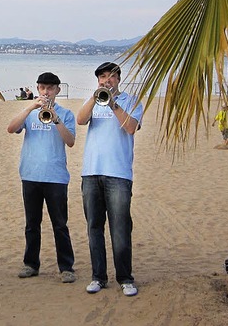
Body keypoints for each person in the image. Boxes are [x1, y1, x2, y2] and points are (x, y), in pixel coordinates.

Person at [76, 62, 143, 297]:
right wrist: (96, 98)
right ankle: (98, 277)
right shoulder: (93, 100)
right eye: (102, 77)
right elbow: (80, 120)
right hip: (91, 173)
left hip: (119, 174)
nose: (107, 80)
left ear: (119, 79)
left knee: (120, 228)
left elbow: (131, 128)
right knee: (94, 227)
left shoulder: (132, 101)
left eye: (111, 77)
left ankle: (125, 278)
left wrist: (113, 103)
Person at [6, 72, 78, 284]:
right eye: (42, 88)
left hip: (56, 176)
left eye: (50, 88)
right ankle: (31, 264)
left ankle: (66, 267)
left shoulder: (65, 114)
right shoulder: (29, 113)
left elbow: (71, 141)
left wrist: (56, 119)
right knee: (32, 224)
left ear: (57, 90)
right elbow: (11, 128)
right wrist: (30, 107)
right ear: (37, 89)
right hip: (30, 174)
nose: (46, 92)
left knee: (60, 224)